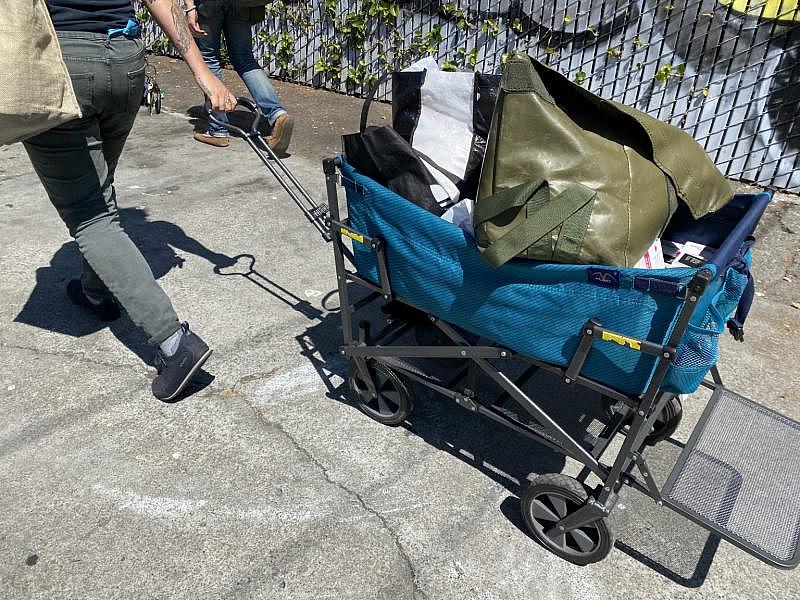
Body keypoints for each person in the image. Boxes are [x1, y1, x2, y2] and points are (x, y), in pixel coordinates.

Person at [22, 0, 239, 401]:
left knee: (89, 217)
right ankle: (94, 292)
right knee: (100, 195)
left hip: (62, 66)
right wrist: (203, 72)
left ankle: (175, 344)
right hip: (124, 63)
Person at [184, 0, 294, 154]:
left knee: (209, 60)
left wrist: (190, 7)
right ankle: (277, 114)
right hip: (240, 3)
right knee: (245, 59)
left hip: (208, 6)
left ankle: (218, 129)